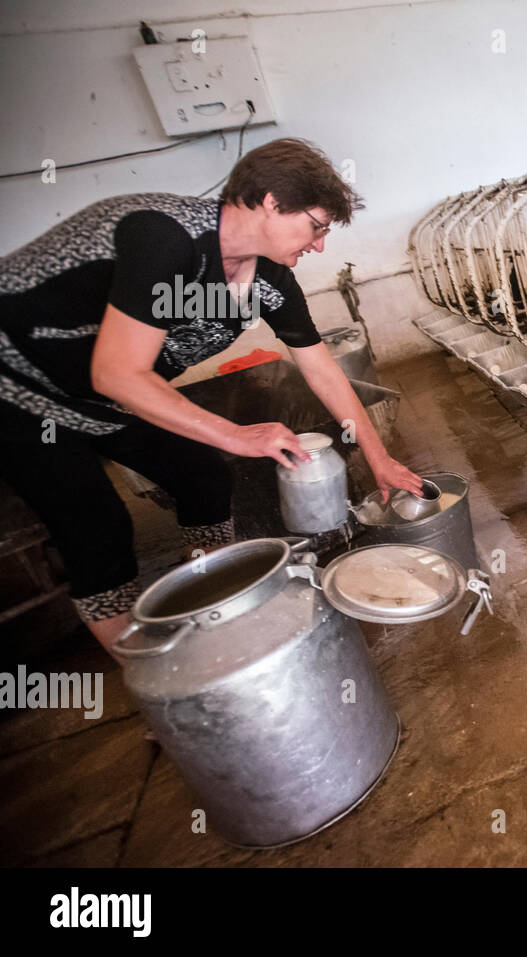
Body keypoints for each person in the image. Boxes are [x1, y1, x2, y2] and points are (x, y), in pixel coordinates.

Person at [0, 138, 423, 654]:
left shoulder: (269, 279)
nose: (319, 246)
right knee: (95, 522)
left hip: (92, 392)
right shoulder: (164, 237)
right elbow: (118, 373)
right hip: (15, 380)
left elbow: (320, 369)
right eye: (316, 226)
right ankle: (161, 679)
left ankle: (212, 600)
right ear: (271, 201)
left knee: (201, 474)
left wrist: (380, 459)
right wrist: (235, 433)